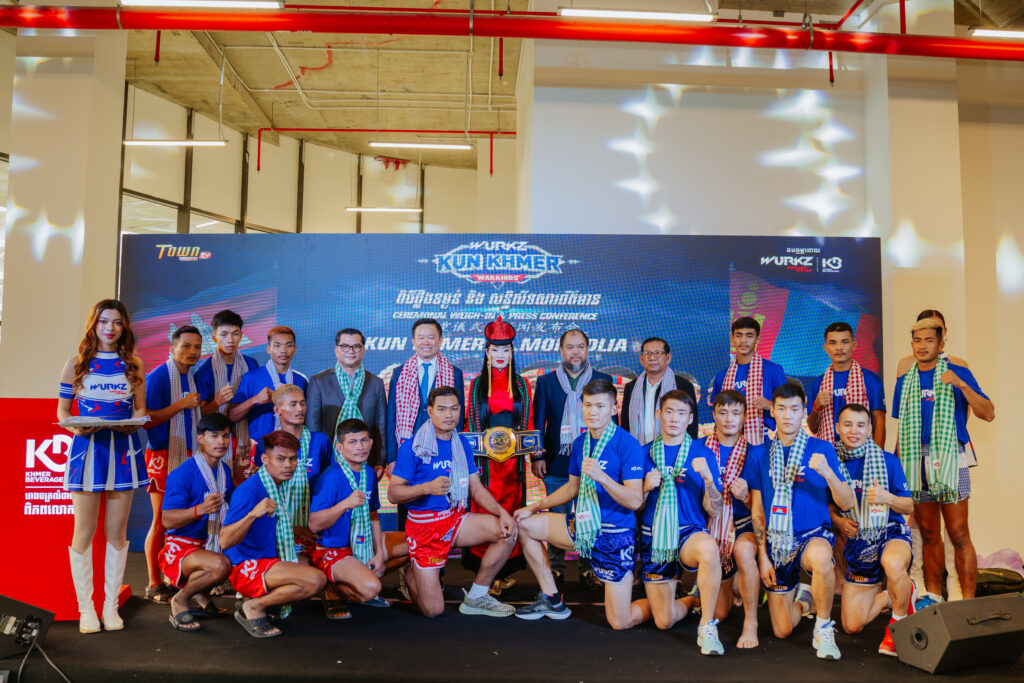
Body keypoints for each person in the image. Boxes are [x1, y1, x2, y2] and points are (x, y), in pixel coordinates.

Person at [514, 379, 644, 628]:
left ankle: (669, 606)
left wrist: (602, 477)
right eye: (588, 405)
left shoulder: (627, 444)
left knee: (620, 621)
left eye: (600, 406)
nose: (593, 412)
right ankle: (552, 599)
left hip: (615, 535)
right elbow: (572, 488)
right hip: (583, 528)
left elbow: (635, 500)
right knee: (525, 525)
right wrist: (533, 506)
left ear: (613, 409)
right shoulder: (580, 443)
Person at [58, 299, 149, 634]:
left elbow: (140, 410)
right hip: (87, 452)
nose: (110, 328)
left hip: (122, 452)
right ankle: (86, 610)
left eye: (117, 322)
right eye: (104, 321)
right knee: (83, 531)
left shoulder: (134, 365)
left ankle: (110, 607)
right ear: (94, 324)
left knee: (117, 532)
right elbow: (63, 412)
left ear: (124, 327)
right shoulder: (75, 364)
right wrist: (75, 427)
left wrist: (132, 424)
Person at [387, 386, 518, 618]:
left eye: (454, 409)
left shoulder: (462, 443)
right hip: (425, 528)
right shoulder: (412, 446)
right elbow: (393, 494)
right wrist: (426, 488)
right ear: (430, 411)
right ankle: (411, 572)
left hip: (454, 518)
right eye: (442, 409)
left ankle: (477, 596)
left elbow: (475, 488)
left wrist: (502, 513)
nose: (449, 414)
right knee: (433, 611)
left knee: (507, 531)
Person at [749, 383, 856, 661]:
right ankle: (805, 601)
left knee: (821, 557)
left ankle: (823, 627)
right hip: (777, 542)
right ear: (772, 411)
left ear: (803, 412)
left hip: (812, 535)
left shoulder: (821, 448)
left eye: (795, 409)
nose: (788, 415)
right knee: (782, 629)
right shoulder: (759, 453)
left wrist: (828, 474)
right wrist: (762, 556)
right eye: (782, 409)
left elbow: (847, 503)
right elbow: (757, 509)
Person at [893, 318, 994, 609]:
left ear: (941, 344)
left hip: (950, 457)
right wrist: (897, 469)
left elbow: (988, 412)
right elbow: (903, 428)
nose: (922, 346)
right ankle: (934, 597)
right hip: (916, 459)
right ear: (912, 344)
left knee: (958, 533)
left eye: (929, 340)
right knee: (928, 534)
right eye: (917, 340)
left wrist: (961, 384)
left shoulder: (957, 371)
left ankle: (968, 604)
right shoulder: (905, 380)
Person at [632, 390, 726, 654]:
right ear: (659, 414)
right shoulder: (643, 453)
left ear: (690, 419)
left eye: (681, 413)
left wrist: (709, 480)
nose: (674, 418)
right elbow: (635, 506)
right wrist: (644, 489)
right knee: (663, 621)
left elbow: (715, 510)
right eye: (669, 411)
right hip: (654, 537)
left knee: (709, 548)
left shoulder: (702, 453)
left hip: (687, 533)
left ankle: (707, 625)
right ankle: (693, 598)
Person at [220, 431, 327, 638]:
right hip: (246, 566)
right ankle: (254, 606)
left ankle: (256, 600)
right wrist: (252, 514)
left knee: (314, 561)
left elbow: (267, 526)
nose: (288, 465)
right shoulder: (249, 491)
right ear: (265, 459)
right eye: (280, 459)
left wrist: (295, 530)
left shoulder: (275, 485)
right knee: (316, 580)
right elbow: (224, 540)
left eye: (293, 459)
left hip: (266, 559)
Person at [830, 404, 915, 657]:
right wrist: (839, 521)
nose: (854, 430)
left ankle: (897, 626)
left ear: (869, 429)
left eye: (860, 425)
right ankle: (896, 594)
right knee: (852, 625)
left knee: (893, 562)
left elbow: (909, 505)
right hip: (859, 544)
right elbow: (825, 506)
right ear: (837, 428)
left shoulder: (888, 461)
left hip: (890, 533)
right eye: (847, 424)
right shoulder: (831, 462)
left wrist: (887, 497)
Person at [531, 329, 614, 588]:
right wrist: (537, 456)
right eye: (570, 347)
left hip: (593, 463)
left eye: (580, 347)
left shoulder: (603, 380)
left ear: (587, 350)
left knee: (589, 515)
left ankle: (588, 568)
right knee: (557, 516)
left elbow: (612, 422)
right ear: (561, 351)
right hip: (557, 461)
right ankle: (556, 568)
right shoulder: (546, 382)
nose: (575, 352)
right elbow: (538, 422)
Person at [309, 419, 409, 617]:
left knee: (414, 544)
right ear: (340, 447)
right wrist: (345, 504)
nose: (360, 447)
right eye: (353, 442)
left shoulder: (369, 473)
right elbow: (314, 525)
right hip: (334, 549)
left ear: (371, 443)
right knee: (371, 589)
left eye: (364, 440)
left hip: (362, 543)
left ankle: (362, 575)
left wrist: (379, 553)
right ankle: (332, 587)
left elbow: (373, 515)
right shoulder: (330, 478)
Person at [462, 316, 533, 591]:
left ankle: (501, 573)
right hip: (485, 466)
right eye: (495, 349)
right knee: (485, 510)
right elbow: (470, 425)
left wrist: (534, 451)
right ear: (487, 351)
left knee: (511, 511)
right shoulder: (477, 385)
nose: (500, 354)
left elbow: (528, 425)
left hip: (513, 465)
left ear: (512, 352)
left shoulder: (522, 385)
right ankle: (485, 575)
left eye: (505, 349)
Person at [142, 324, 205, 604]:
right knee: (161, 520)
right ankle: (154, 583)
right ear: (172, 348)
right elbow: (146, 419)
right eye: (186, 346)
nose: (192, 351)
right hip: (163, 454)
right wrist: (181, 404)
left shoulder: (190, 377)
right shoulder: (158, 377)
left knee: (182, 520)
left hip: (188, 453)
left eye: (197, 347)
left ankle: (173, 578)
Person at [158, 413, 236, 632]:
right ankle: (180, 600)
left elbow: (235, 504)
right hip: (181, 546)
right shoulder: (182, 473)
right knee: (221, 565)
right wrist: (199, 510)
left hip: (208, 544)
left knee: (244, 554)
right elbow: (167, 520)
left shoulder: (224, 471)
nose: (221, 442)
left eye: (225, 436)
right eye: (214, 436)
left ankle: (201, 595)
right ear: (200, 438)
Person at [386, 318, 465, 531]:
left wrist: (455, 453)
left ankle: (441, 546)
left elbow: (459, 416)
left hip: (442, 450)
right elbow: (392, 416)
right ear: (413, 341)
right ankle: (408, 547)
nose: (426, 342)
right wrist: (392, 458)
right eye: (421, 338)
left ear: (440, 340)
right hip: (408, 449)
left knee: (441, 500)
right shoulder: (399, 372)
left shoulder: (454, 373)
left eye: (431, 337)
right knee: (407, 498)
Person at [701, 389, 766, 648]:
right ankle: (701, 594)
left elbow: (763, 506)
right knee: (720, 612)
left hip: (743, 525)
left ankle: (751, 621)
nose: (729, 419)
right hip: (710, 527)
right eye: (723, 412)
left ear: (745, 417)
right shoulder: (698, 448)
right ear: (714, 414)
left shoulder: (756, 453)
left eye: (736, 413)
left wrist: (746, 497)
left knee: (743, 549)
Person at [250, 385, 331, 561]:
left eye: (302, 403)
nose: (300, 409)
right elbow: (263, 494)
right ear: (277, 410)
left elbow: (329, 488)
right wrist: (292, 528)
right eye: (293, 404)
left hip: (314, 530)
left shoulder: (321, 441)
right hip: (278, 531)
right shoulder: (265, 445)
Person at [306, 328, 387, 469]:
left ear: (363, 350)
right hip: (328, 461)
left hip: (366, 462)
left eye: (356, 346)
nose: (351, 351)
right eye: (345, 346)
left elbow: (381, 427)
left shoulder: (376, 383)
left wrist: (380, 461)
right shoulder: (318, 382)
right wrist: (315, 462)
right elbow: (312, 427)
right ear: (336, 350)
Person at [194, 309, 260, 478]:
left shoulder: (251, 364)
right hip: (218, 441)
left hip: (246, 439)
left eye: (235, 334)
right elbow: (198, 414)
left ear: (241, 335)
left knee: (245, 487)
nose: (230, 340)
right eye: (223, 334)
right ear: (214, 337)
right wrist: (217, 402)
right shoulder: (204, 371)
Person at [807, 321, 886, 447]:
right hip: (829, 453)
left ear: (854, 345)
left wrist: (877, 455)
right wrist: (816, 408)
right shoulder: (818, 383)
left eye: (845, 342)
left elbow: (879, 423)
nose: (839, 347)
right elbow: (813, 428)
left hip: (862, 452)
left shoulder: (872, 380)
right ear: (825, 348)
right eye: (833, 343)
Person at [710, 317, 787, 445]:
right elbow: (717, 413)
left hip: (762, 440)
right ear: (732, 339)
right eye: (738, 335)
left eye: (749, 336)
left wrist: (770, 405)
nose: (743, 340)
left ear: (758, 339)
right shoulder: (722, 376)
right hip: (728, 441)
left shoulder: (773, 371)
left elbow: (788, 408)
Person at [230, 326, 308, 445]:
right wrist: (255, 400)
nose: (283, 350)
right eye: (277, 345)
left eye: (288, 345)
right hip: (258, 446)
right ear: (268, 349)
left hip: (292, 445)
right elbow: (232, 416)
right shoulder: (251, 378)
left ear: (295, 349)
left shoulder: (301, 381)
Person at [621, 336, 699, 442]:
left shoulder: (683, 386)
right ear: (641, 359)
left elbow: (692, 425)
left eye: (657, 353)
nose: (652, 358)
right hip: (637, 448)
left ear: (668, 358)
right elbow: (625, 424)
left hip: (672, 448)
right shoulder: (631, 387)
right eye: (647, 353)